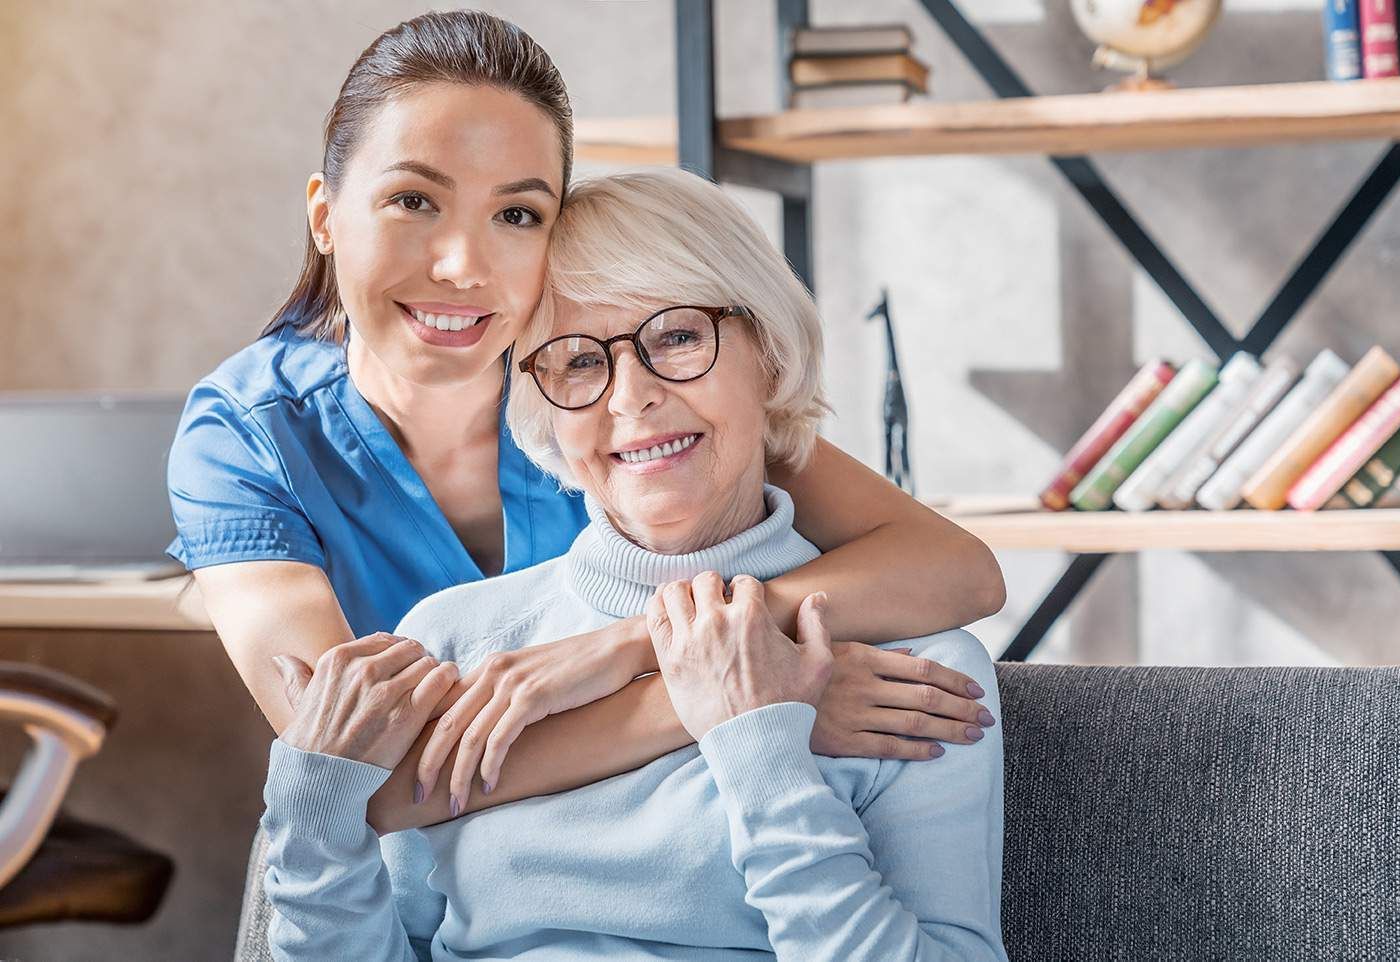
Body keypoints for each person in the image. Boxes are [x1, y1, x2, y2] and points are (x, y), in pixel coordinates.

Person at [165, 9, 1005, 827]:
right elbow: (369, 785)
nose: (462, 266)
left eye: (517, 214)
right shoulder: (248, 438)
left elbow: (958, 568)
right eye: (414, 201)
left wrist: (633, 645)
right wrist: (736, 696)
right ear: (324, 216)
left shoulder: (604, 395)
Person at [261, 167, 1007, 961]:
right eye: (578, 361)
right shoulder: (454, 639)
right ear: (538, 400)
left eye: (679, 337)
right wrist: (310, 817)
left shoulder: (918, 674)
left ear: (769, 353)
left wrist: (759, 750)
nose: (630, 396)